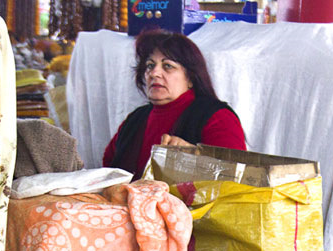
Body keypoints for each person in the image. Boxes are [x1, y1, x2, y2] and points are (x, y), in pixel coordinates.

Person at [103, 29, 246, 179]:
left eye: (168, 66)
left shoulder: (218, 117)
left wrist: (196, 157)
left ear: (190, 78)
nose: (154, 73)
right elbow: (107, 171)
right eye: (150, 65)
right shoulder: (135, 119)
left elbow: (235, 178)